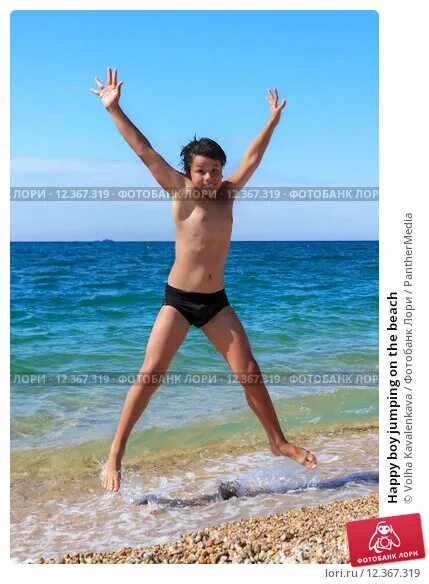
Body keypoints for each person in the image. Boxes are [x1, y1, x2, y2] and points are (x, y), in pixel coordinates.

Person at [90, 67, 317, 492]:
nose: (210, 177)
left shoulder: (228, 194)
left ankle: (278, 441)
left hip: (216, 303)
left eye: (215, 169)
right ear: (188, 173)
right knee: (151, 373)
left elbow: (253, 158)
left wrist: (271, 122)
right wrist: (114, 108)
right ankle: (116, 454)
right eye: (202, 170)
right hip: (178, 301)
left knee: (250, 371)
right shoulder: (180, 193)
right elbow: (144, 150)